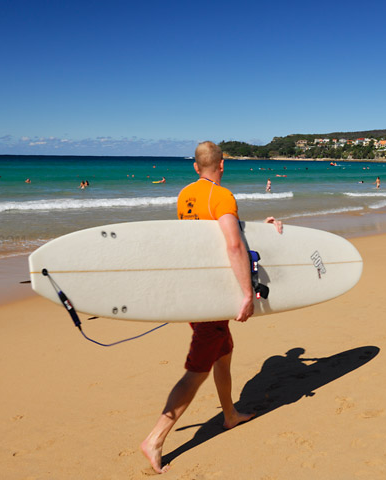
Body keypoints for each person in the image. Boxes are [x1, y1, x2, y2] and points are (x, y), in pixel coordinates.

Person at [140, 141, 282, 474]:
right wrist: (247, 293)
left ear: (194, 166)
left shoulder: (185, 194)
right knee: (198, 368)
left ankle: (229, 414)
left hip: (196, 289)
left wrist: (266, 231)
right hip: (213, 296)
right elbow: (232, 245)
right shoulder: (222, 195)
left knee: (225, 350)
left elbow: (206, 241)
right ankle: (155, 439)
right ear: (222, 165)